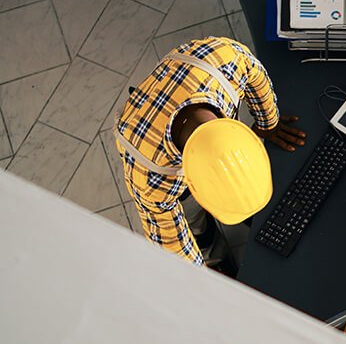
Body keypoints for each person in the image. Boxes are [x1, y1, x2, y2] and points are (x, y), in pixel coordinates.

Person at [113, 37, 306, 268]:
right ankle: (212, 251)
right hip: (148, 137)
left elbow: (255, 74)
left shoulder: (223, 60)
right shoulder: (149, 177)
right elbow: (173, 247)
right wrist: (202, 279)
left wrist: (268, 124)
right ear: (192, 183)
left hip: (185, 84)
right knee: (194, 222)